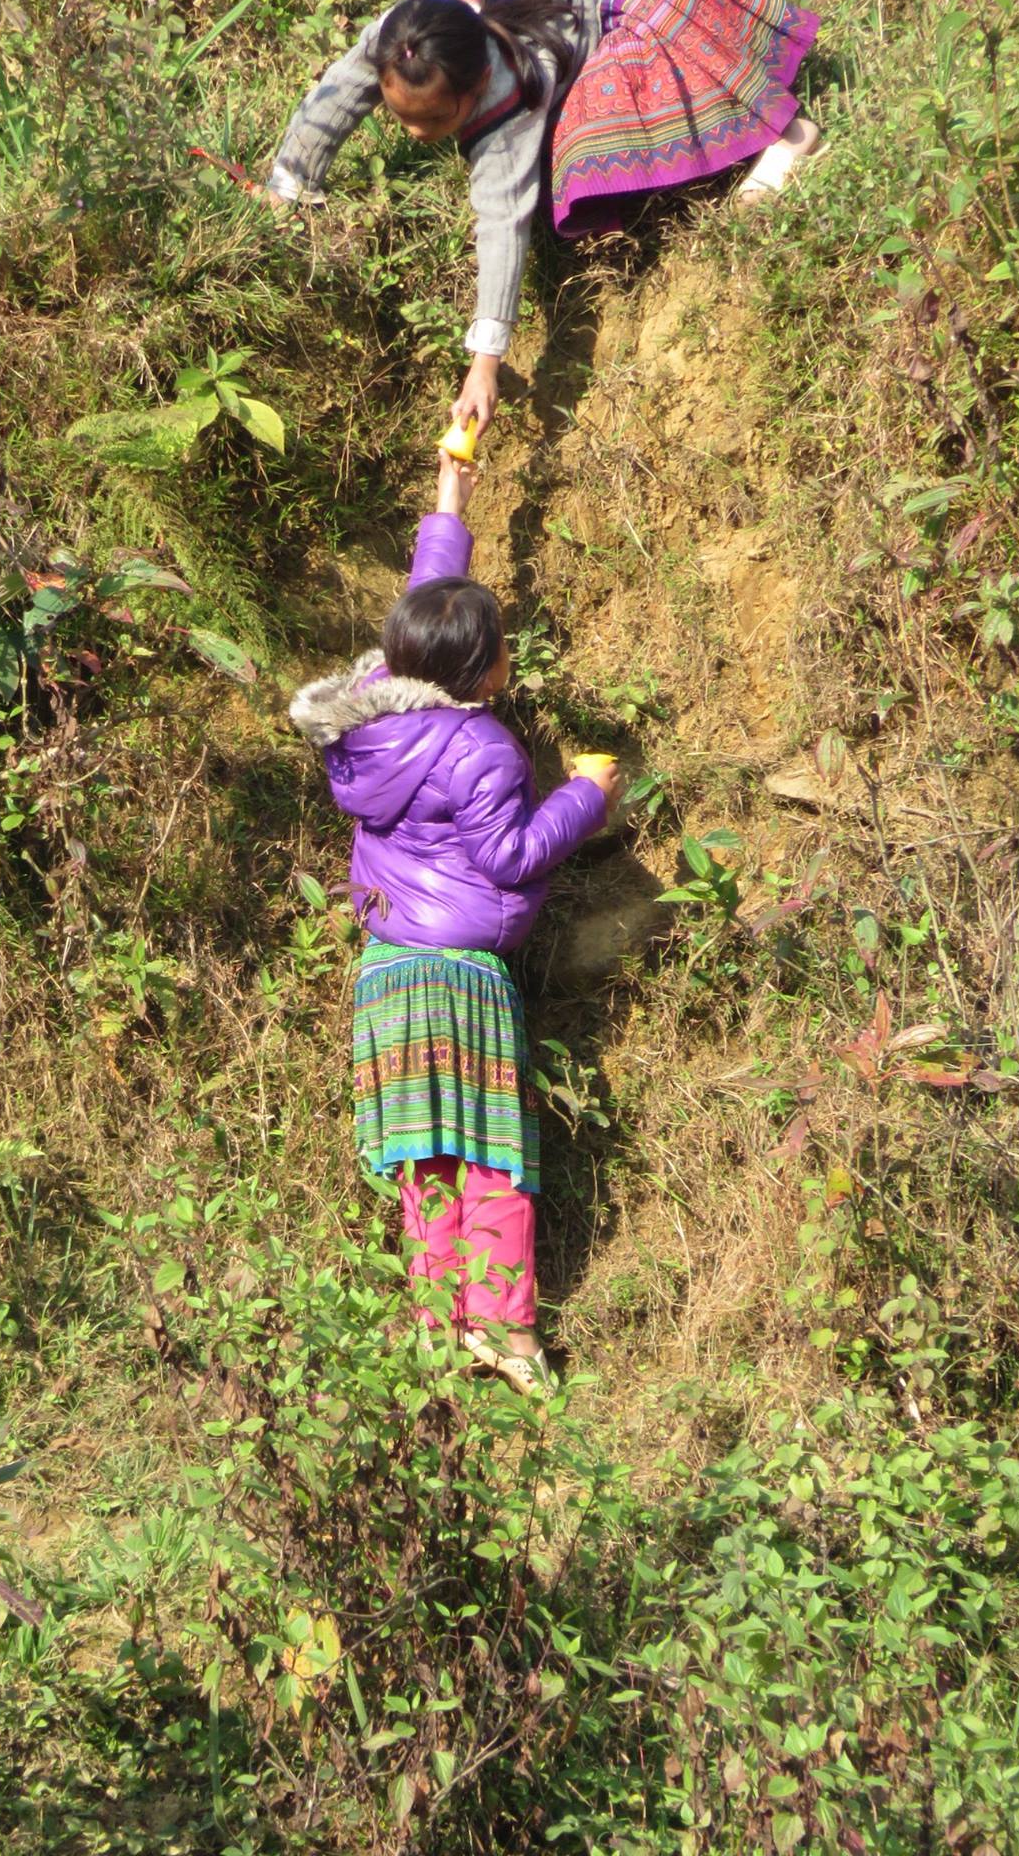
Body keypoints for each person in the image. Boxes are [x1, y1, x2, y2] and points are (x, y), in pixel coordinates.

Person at [289, 452, 625, 1392]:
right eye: (502, 647)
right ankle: (512, 1336)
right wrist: (585, 796)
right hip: (460, 979)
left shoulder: (365, 725)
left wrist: (453, 495)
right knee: (492, 1157)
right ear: (478, 674)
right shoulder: (482, 744)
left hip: (387, 973)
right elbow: (510, 856)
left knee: (424, 1161)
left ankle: (439, 1330)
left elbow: (424, 605)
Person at [267, 0, 821, 436]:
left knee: (582, 157)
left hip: (644, 12)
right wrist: (288, 183)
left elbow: (503, 221)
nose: (415, 132)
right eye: (404, 117)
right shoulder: (405, 36)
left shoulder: (507, 94)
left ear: (478, 86)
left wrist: (484, 364)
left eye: (435, 120)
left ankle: (790, 138)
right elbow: (339, 91)